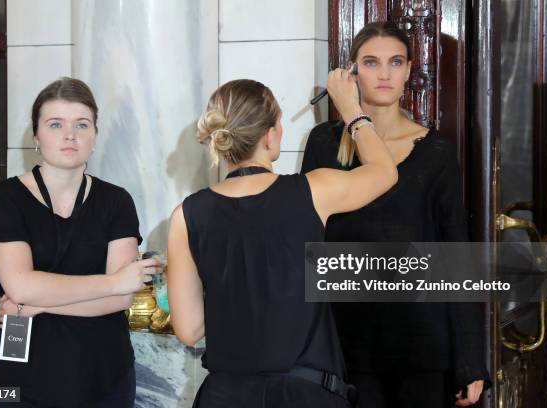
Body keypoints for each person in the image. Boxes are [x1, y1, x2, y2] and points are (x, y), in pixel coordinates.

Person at [166, 75, 398, 408]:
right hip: (304, 396)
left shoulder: (186, 216)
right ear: (271, 134)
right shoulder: (313, 191)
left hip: (226, 396)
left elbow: (188, 330)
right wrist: (351, 108)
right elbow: (385, 171)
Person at [301, 22, 491, 408]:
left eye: (395, 62)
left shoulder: (436, 152)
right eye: (371, 62)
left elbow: (457, 257)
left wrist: (470, 360)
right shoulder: (322, 143)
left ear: (408, 71)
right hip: (345, 345)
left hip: (423, 344)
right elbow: (307, 244)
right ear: (352, 72)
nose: (384, 73)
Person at [0, 77, 159, 407]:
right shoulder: (7, 198)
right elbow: (20, 286)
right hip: (27, 372)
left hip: (105, 372)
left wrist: (39, 302)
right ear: (36, 135)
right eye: (55, 124)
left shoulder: (116, 201)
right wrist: (112, 282)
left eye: (82, 124)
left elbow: (122, 299)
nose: (70, 135)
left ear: (94, 135)